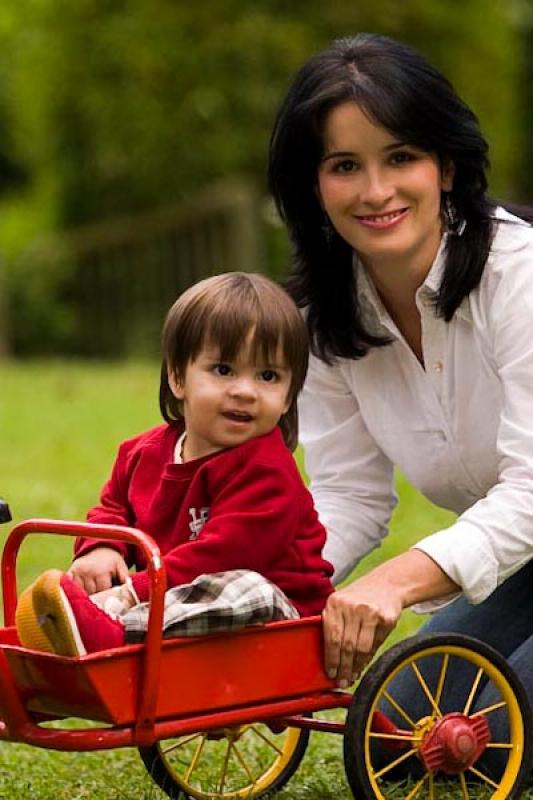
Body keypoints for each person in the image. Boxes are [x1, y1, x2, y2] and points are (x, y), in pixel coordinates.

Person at [268, 32, 533, 739]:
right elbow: (348, 496)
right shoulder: (323, 320)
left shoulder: (521, 277)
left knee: (489, 738)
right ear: (312, 185)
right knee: (405, 727)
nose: (375, 190)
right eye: (344, 165)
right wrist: (260, 603)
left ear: (445, 167)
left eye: (400, 157)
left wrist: (392, 581)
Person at [16, 272, 334, 655]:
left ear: (288, 397)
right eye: (223, 370)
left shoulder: (268, 471)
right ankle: (77, 627)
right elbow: (112, 508)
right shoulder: (142, 453)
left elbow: (222, 556)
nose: (245, 391)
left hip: (279, 621)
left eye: (268, 376)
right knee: (147, 594)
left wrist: (133, 592)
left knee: (242, 589)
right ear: (178, 376)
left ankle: (109, 630)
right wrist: (102, 548)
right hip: (169, 598)